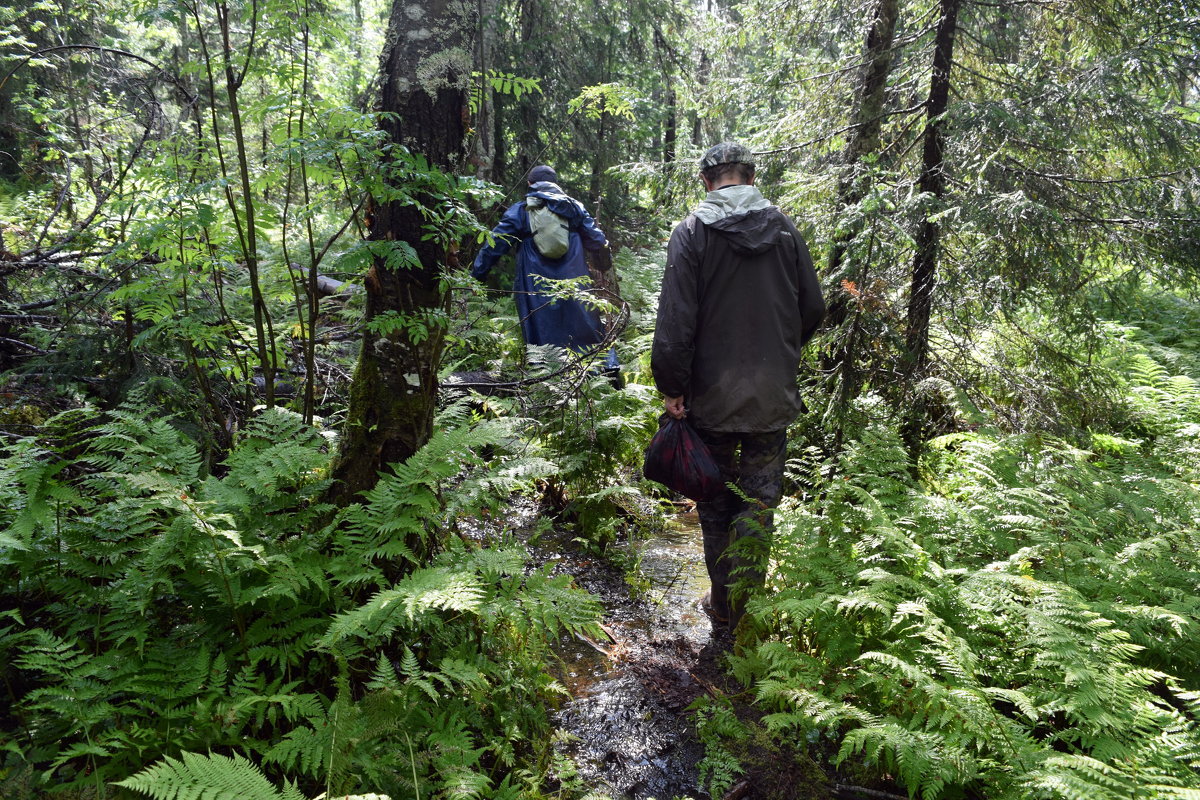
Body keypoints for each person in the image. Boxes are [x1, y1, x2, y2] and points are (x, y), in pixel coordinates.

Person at [651, 142, 825, 629]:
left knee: (716, 505)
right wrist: (782, 356)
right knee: (759, 503)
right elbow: (813, 307)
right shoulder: (785, 230)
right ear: (750, 178)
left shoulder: (691, 233)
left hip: (710, 400)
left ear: (707, 182)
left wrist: (673, 386)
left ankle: (723, 608)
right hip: (771, 399)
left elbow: (676, 322)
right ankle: (750, 609)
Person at [471, 165, 618, 370]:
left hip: (534, 285)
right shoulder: (574, 208)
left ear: (530, 184)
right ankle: (605, 372)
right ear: (555, 184)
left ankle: (547, 381)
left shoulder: (522, 210)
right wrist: (603, 265)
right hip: (575, 279)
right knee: (587, 325)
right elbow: (597, 241)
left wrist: (476, 275)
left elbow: (495, 244)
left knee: (542, 335)